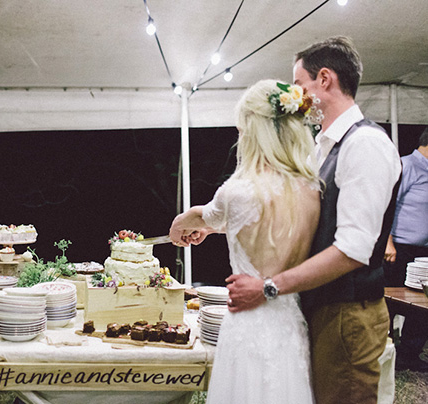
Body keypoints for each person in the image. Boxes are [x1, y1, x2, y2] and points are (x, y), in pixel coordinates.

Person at [224, 36, 402, 404]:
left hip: (349, 316)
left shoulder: (365, 145)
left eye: (299, 85)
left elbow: (352, 250)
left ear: (324, 79)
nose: (296, 97)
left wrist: (269, 287)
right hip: (322, 311)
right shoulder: (324, 146)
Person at [170, 79, 321, 403]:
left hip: (248, 322)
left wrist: (180, 223)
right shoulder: (311, 189)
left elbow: (204, 216)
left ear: (253, 131)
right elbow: (266, 227)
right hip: (289, 323)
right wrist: (214, 229)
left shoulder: (238, 191)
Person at [383, 126, 428, 371]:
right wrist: (387, 242)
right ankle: (386, 351)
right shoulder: (405, 165)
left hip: (423, 252)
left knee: (422, 303)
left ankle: (410, 354)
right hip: (399, 249)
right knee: (392, 300)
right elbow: (387, 205)